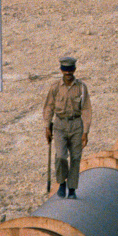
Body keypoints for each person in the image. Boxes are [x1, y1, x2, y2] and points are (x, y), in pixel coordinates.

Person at [43, 55, 92, 199]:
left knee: (76, 158)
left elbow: (87, 109)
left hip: (76, 125)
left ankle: (72, 190)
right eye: (65, 70)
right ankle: (61, 183)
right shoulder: (55, 88)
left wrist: (85, 131)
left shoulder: (82, 88)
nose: (68, 73)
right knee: (61, 157)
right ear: (61, 70)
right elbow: (48, 107)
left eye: (70, 70)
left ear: (74, 70)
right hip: (59, 125)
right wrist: (47, 126)